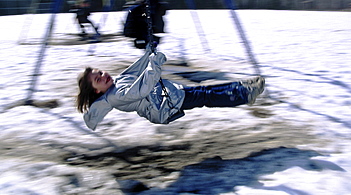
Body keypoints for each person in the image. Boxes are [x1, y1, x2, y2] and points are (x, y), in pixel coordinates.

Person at [77, 46, 265, 131]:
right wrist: (155, 64)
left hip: (167, 96)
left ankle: (241, 87)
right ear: (96, 90)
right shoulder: (115, 96)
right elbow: (141, 89)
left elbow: (137, 68)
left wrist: (149, 52)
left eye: (100, 72)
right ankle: (245, 94)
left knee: (205, 90)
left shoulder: (117, 82)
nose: (103, 75)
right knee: (206, 96)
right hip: (164, 105)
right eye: (97, 79)